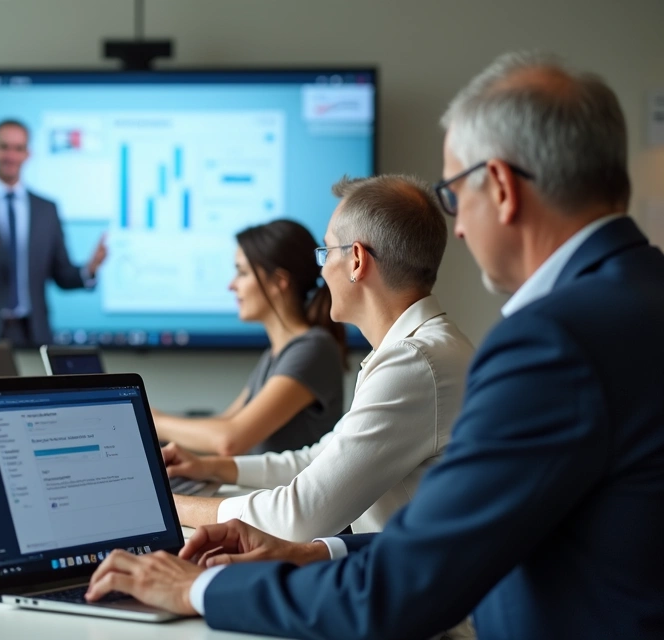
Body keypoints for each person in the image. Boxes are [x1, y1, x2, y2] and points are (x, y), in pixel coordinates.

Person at [84, 52, 664, 639]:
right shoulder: (639, 297)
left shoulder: (551, 340)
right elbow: (484, 538)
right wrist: (322, 553)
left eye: (456, 192)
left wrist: (197, 587)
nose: (457, 227)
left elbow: (407, 588)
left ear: (501, 188)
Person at [164, 175, 475, 543]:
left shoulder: (413, 362)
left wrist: (167, 506)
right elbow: (319, 459)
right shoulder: (416, 351)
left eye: (326, 253)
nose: (322, 270)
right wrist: (211, 467)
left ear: (356, 260)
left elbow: (298, 517)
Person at [151, 220, 346, 456]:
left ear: (279, 282)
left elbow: (229, 439)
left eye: (242, 273)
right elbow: (225, 422)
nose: (231, 285)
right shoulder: (276, 354)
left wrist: (154, 422)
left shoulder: (313, 348)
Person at [0, 119, 107, 346]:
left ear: (28, 154)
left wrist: (89, 269)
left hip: (33, 334)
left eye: (19, 148)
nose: (11, 156)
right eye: (4, 147)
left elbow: (62, 274)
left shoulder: (47, 209)